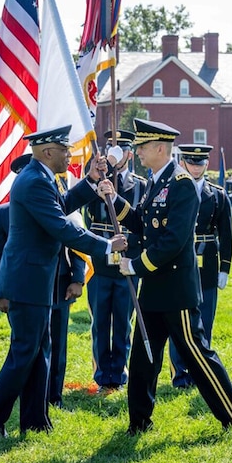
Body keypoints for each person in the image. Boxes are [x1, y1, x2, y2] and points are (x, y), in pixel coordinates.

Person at [0, 126, 127, 440]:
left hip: (34, 282)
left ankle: (35, 420)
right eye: (64, 149)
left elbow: (64, 204)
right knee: (23, 354)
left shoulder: (40, 179)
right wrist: (107, 245)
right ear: (46, 152)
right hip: (27, 282)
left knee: (39, 352)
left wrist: (92, 181)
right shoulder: (33, 182)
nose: (69, 155)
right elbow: (61, 226)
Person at [115, 118, 232, 435]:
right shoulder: (155, 181)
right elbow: (143, 222)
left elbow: (174, 240)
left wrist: (135, 266)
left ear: (160, 148)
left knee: (198, 357)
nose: (137, 153)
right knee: (143, 360)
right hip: (154, 289)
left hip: (175, 290)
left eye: (142, 147)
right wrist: (115, 201)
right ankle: (139, 422)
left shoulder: (181, 184)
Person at [83, 129, 146, 391]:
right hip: (99, 260)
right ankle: (102, 376)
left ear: (129, 154)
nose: (115, 154)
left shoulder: (141, 184)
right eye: (110, 148)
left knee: (123, 321)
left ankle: (118, 375)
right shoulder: (95, 180)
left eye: (120, 149)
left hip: (127, 261)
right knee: (100, 321)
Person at [168, 144, 232, 389]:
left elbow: (226, 234)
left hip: (207, 262)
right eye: (192, 162)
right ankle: (180, 374)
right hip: (179, 262)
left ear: (207, 164)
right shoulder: (173, 189)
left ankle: (201, 372)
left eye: (200, 163)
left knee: (205, 321)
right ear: (183, 163)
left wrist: (224, 269)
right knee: (178, 320)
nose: (196, 167)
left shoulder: (217, 194)